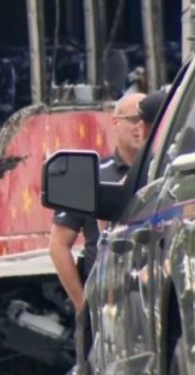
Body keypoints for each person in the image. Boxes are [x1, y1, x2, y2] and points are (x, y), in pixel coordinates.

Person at [48, 92, 145, 314]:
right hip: (104, 304)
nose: (140, 127)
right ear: (115, 122)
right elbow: (58, 245)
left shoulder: (166, 173)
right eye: (133, 119)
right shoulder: (89, 176)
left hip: (152, 300)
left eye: (148, 120)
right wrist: (82, 304)